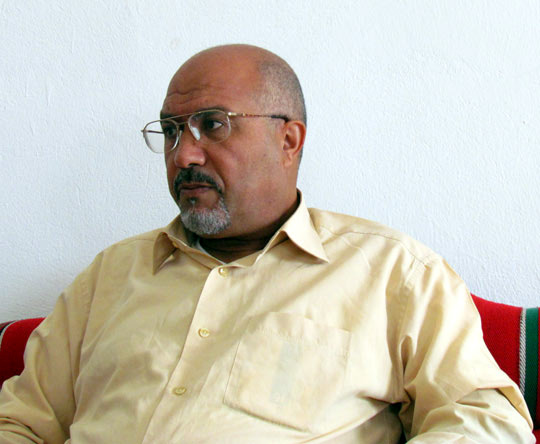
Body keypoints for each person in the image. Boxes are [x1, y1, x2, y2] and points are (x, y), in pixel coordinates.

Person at [0, 44, 535, 443]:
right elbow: (21, 423)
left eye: (212, 125)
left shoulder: (393, 272)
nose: (184, 155)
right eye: (171, 130)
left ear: (289, 140)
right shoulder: (109, 276)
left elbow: (485, 422)